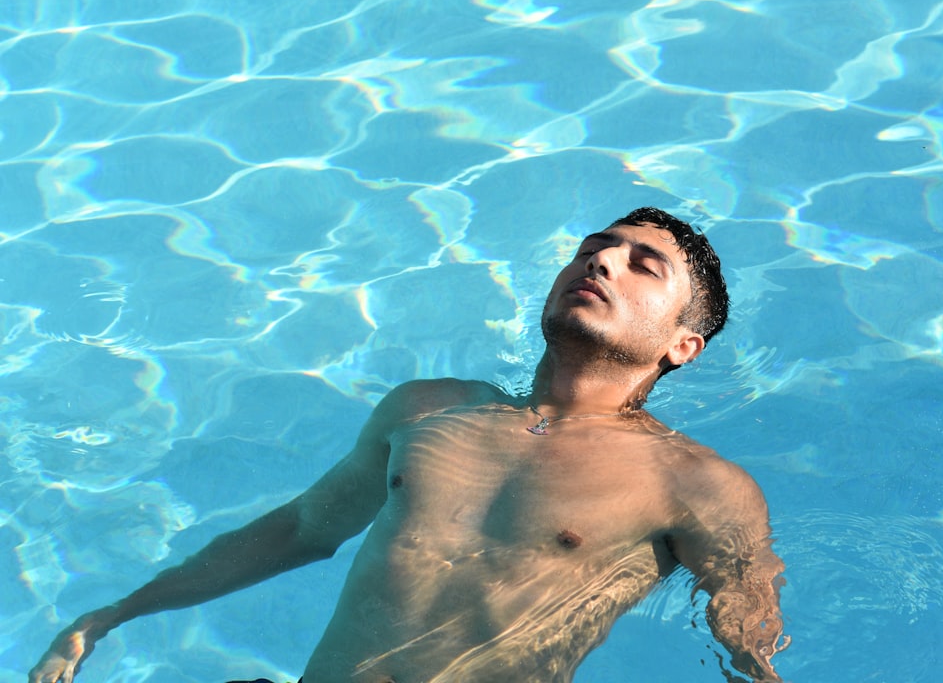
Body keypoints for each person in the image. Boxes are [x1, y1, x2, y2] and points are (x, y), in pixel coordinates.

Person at [29, 207, 787, 683]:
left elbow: (749, 643)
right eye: (595, 247)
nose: (600, 262)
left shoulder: (696, 484)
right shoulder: (428, 412)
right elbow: (301, 529)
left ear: (683, 346)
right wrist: (109, 616)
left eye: (640, 265)